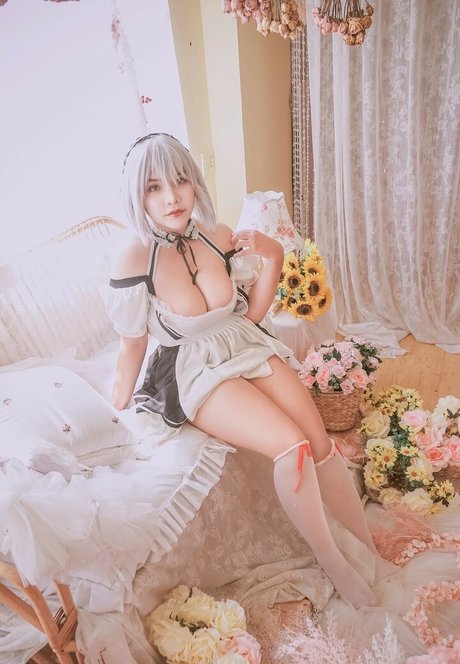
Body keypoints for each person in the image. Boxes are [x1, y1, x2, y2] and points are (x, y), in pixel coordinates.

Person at [106, 133, 378, 609]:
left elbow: (250, 315)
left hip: (244, 342)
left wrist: (273, 256)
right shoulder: (134, 256)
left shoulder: (217, 234)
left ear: (194, 182)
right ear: (137, 195)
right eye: (154, 187)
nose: (172, 197)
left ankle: (369, 551)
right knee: (291, 447)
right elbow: (132, 346)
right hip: (192, 368)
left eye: (180, 180)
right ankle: (334, 564)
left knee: (319, 443)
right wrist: (116, 411)